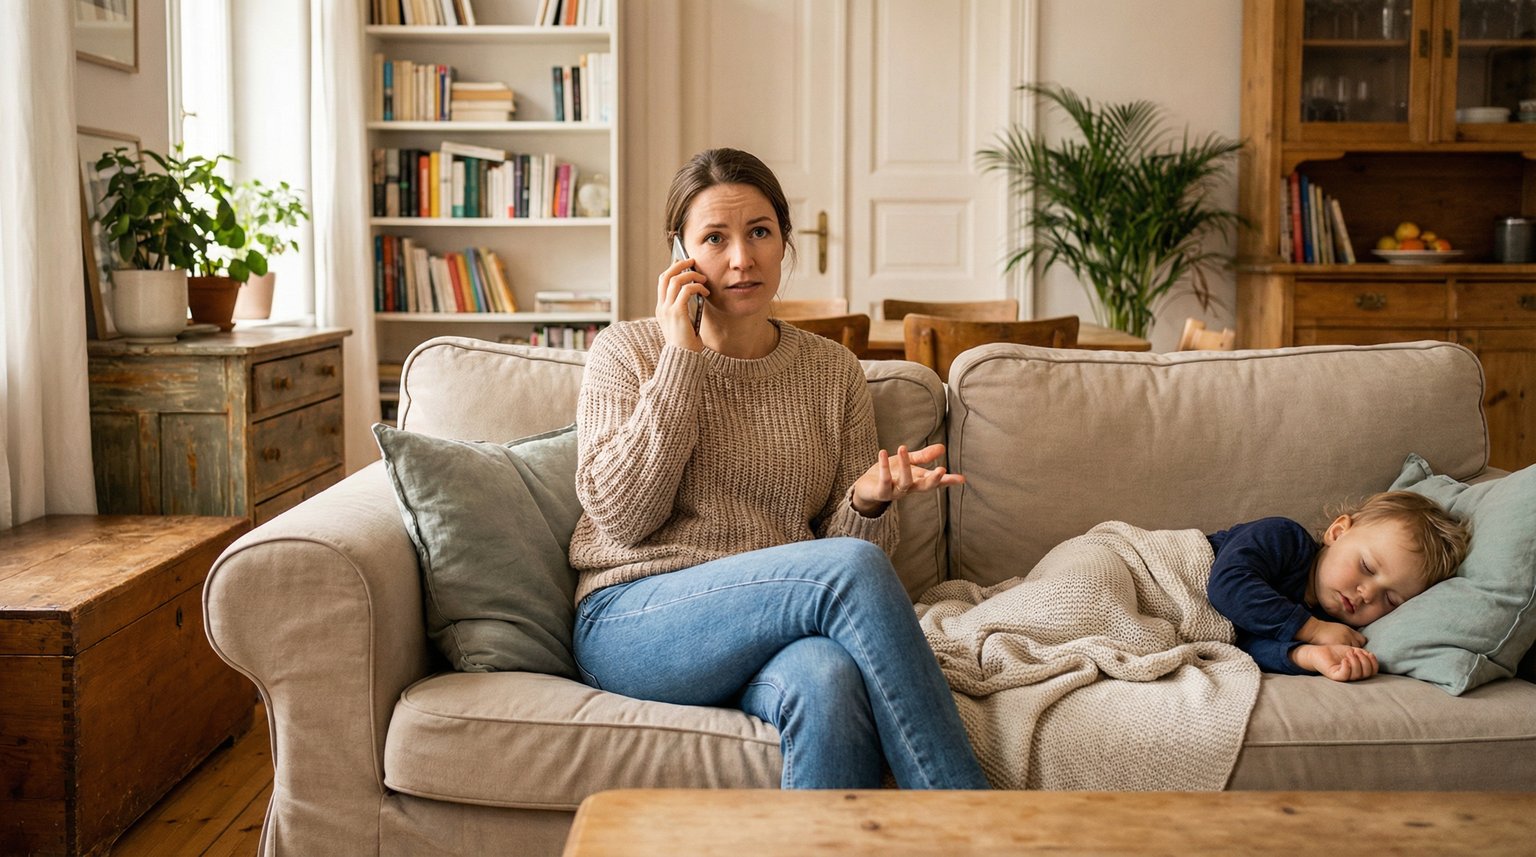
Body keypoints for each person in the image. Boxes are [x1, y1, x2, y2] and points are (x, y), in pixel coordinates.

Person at [566, 148, 989, 790]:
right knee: (848, 572)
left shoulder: (830, 371)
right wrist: (681, 357)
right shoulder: (626, 352)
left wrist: (868, 501)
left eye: (760, 232)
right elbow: (623, 519)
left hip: (772, 624)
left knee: (827, 677)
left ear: (784, 242)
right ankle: (972, 829)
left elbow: (845, 551)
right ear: (680, 255)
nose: (742, 258)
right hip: (633, 619)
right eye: (715, 238)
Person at [1206, 491, 1470, 682]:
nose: (1367, 594)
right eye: (1366, 567)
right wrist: (1312, 630)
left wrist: (1309, 655)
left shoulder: (1328, 624)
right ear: (1338, 532)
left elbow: (1244, 643)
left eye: (1390, 599)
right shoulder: (1284, 538)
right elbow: (1228, 586)